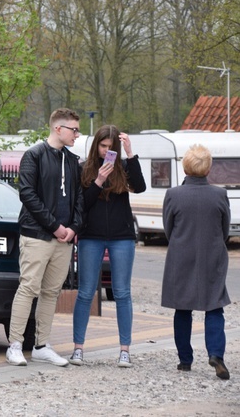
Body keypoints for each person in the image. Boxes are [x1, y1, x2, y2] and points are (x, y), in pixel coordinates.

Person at [6, 108, 83, 368]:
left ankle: (42, 345)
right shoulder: (34, 155)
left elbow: (79, 198)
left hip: (64, 240)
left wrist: (73, 227)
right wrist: (54, 226)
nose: (77, 134)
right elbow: (27, 194)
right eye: (74, 129)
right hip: (37, 235)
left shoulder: (73, 161)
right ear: (58, 128)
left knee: (51, 292)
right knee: (28, 288)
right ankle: (15, 346)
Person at [70, 125, 146, 368]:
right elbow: (83, 204)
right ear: (96, 146)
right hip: (90, 236)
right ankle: (78, 348)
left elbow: (141, 187)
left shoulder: (123, 168)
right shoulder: (84, 169)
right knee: (85, 292)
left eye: (111, 147)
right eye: (103, 146)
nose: (106, 151)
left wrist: (130, 154)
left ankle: (125, 350)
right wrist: (99, 180)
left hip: (121, 237)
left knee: (122, 292)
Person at [161, 144, 231, 380]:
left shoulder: (173, 194)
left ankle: (185, 360)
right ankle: (216, 355)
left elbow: (168, 229)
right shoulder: (220, 194)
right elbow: (225, 229)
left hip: (181, 256)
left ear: (185, 166)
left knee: (182, 309)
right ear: (209, 168)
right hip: (212, 255)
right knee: (214, 307)